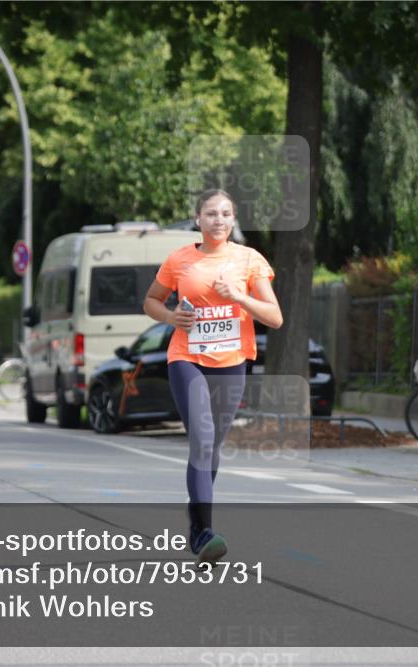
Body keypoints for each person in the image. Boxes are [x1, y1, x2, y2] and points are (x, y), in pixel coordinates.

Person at [143, 189, 282, 564]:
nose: (218, 220)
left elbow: (274, 316)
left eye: (225, 214)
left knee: (213, 446)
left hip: (232, 361)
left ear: (233, 220)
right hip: (186, 358)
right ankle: (204, 532)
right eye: (210, 214)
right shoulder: (180, 259)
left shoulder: (249, 260)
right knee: (202, 439)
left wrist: (239, 296)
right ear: (198, 219)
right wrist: (172, 317)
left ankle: (195, 516)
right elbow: (151, 301)